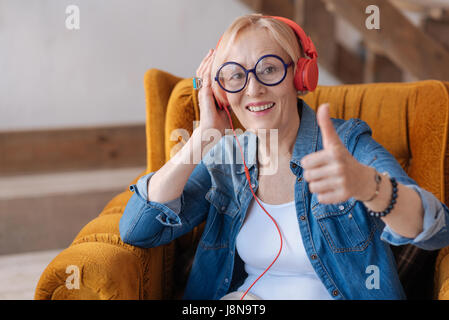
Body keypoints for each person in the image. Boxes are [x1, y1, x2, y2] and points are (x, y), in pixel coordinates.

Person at [119, 13, 449, 300]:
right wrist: (203, 137)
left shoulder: (347, 144)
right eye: (235, 75)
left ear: (301, 76)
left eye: (269, 68)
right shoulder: (227, 159)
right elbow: (139, 229)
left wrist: (369, 187)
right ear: (221, 92)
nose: (253, 89)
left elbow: (436, 230)